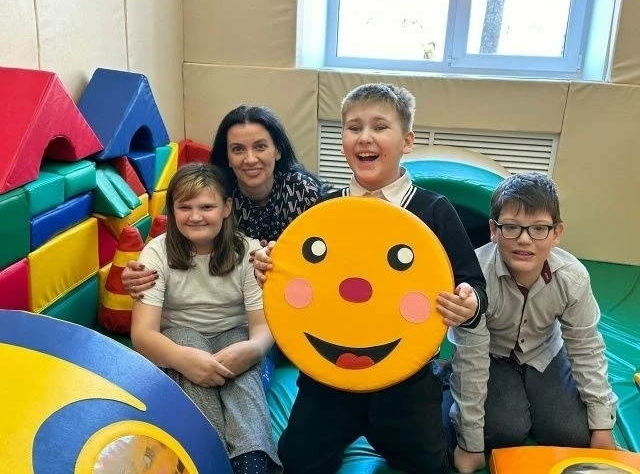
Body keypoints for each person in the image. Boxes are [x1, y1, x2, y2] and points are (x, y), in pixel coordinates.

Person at [252, 82, 488, 474]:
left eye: (380, 127)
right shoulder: (325, 210)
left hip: (406, 382)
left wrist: (469, 302)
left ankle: (442, 390)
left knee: (431, 467)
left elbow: (475, 285)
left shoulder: (434, 210)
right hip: (328, 377)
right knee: (296, 461)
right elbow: (295, 279)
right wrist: (269, 268)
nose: (365, 137)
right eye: (353, 127)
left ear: (407, 141)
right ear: (343, 140)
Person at [447, 172, 618, 474]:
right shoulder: (475, 278)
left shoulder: (572, 278)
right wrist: (470, 443)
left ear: (556, 233)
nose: (524, 239)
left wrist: (603, 426)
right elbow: (472, 357)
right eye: (511, 227)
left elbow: (586, 348)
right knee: (502, 431)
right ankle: (444, 380)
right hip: (491, 355)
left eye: (539, 228)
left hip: (545, 352)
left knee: (573, 433)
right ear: (493, 230)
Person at [129, 162, 281, 474]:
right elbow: (143, 334)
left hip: (234, 335)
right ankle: (208, 455)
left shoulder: (249, 253)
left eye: (207, 207)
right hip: (178, 338)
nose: (195, 216)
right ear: (172, 210)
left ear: (226, 208)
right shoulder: (156, 254)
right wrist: (183, 359)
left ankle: (251, 462)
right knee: (186, 341)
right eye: (185, 207)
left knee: (242, 370)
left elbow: (261, 328)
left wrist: (251, 350)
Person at [122, 104, 325, 295]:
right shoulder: (216, 190)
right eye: (238, 149)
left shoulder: (303, 192)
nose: (250, 159)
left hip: (296, 290)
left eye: (260, 147)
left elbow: (323, 255)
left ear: (277, 151)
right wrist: (142, 270)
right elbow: (178, 235)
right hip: (230, 295)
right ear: (227, 156)